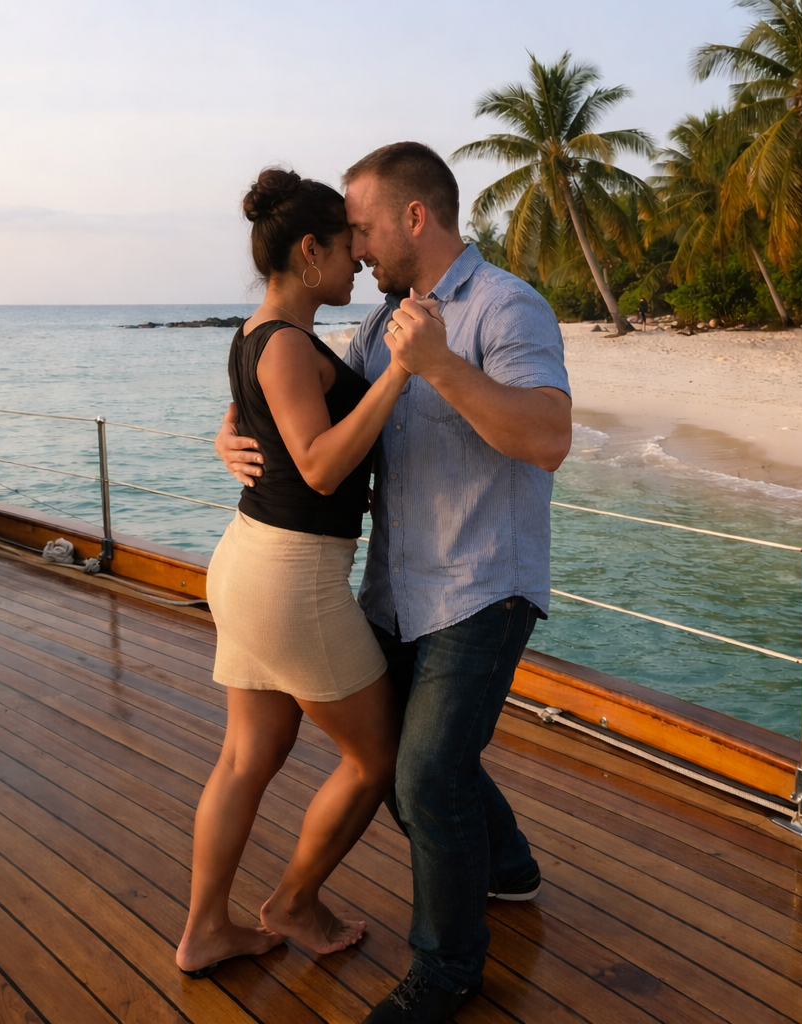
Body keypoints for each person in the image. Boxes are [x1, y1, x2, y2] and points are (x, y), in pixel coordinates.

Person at [216, 142, 572, 1024]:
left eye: (365, 227)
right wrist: (227, 429)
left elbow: (549, 436)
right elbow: (293, 383)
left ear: (417, 218)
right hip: (394, 590)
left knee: (421, 777)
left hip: (482, 588)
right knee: (419, 763)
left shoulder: (505, 306)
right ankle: (509, 867)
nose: (358, 246)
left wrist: (446, 366)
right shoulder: (379, 327)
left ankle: (446, 972)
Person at [176, 168, 413, 979]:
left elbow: (261, 430)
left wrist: (226, 435)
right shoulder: (283, 343)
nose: (357, 265)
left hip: (252, 565)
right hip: (291, 578)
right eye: (348, 251)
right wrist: (398, 377)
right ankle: (293, 902)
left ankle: (207, 929)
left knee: (249, 755)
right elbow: (314, 467)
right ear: (310, 252)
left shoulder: (260, 334)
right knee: (376, 759)